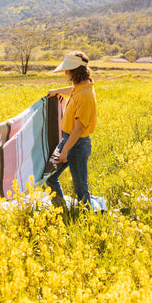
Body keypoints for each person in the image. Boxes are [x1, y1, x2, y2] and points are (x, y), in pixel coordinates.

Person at [46, 51, 97, 206]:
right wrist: (57, 91)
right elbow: (73, 90)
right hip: (68, 140)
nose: (66, 73)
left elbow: (79, 128)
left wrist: (65, 150)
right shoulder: (81, 86)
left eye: (68, 70)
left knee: (81, 188)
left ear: (75, 71)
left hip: (77, 144)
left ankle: (87, 217)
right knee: (50, 177)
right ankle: (61, 211)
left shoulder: (86, 95)